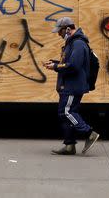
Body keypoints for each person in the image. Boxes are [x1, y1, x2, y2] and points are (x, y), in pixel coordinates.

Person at [43, 16, 100, 155]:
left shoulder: (78, 43)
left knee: (66, 112)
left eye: (60, 31)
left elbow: (74, 66)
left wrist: (55, 66)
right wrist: (55, 63)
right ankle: (69, 145)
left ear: (68, 29)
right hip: (68, 85)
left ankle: (89, 133)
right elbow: (70, 62)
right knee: (64, 114)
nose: (58, 34)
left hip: (73, 85)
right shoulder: (72, 42)